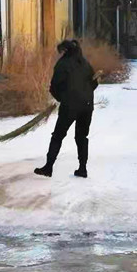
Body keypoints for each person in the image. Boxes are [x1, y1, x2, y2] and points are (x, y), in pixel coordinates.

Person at [34, 40, 99, 179]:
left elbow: (54, 87)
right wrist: (84, 94)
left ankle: (48, 167)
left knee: (57, 136)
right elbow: (94, 83)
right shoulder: (85, 63)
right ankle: (82, 169)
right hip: (87, 106)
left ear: (65, 50)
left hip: (70, 106)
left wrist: (62, 98)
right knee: (82, 137)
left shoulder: (63, 64)